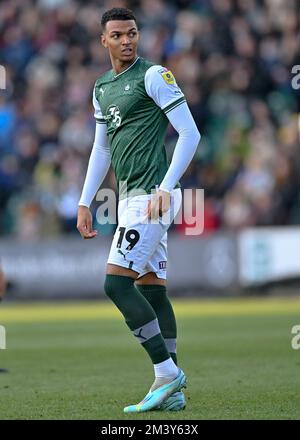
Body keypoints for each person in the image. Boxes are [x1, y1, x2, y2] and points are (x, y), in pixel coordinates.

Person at [77, 7, 200, 413]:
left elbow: (189, 132)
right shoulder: (102, 88)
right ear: (104, 41)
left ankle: (166, 373)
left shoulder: (153, 75)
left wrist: (166, 188)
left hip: (152, 197)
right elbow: (102, 149)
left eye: (132, 33)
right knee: (151, 288)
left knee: (115, 285)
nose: (127, 40)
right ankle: (174, 391)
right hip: (129, 196)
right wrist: (84, 201)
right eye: (118, 35)